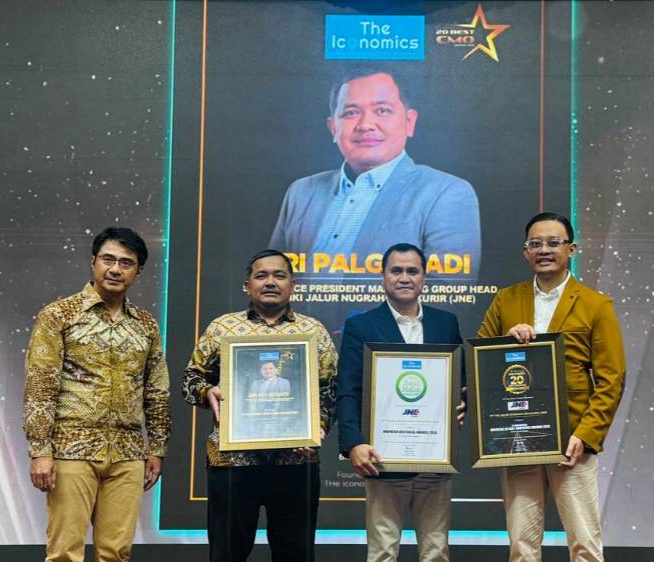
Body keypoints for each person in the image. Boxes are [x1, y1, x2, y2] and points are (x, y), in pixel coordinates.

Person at [475, 212, 625, 562]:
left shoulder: (596, 304)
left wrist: (586, 435)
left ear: (571, 249)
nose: (544, 250)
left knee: (585, 544)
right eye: (535, 243)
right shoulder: (506, 300)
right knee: (521, 546)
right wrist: (506, 342)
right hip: (518, 438)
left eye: (553, 242)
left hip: (571, 441)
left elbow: (612, 378)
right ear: (525, 252)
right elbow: (479, 362)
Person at [23, 227, 171, 562]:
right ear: (93, 262)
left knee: (116, 553)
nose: (115, 269)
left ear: (138, 271)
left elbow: (156, 389)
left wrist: (157, 449)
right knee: (64, 552)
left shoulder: (146, 324)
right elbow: (40, 386)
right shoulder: (59, 315)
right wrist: (40, 451)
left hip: (128, 453)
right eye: (108, 259)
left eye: (126, 263)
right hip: (71, 449)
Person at [182, 249, 338, 562]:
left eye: (279, 275)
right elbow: (190, 380)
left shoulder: (314, 331)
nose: (270, 282)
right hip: (233, 461)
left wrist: (318, 426)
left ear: (292, 285)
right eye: (261, 275)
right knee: (227, 554)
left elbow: (330, 390)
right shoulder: (222, 328)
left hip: (296, 461)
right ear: (247, 285)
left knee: (296, 555)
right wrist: (207, 392)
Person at [269, 69, 481, 275]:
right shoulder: (301, 192)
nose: (365, 125)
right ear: (333, 128)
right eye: (351, 113)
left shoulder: (446, 193)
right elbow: (272, 279)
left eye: (382, 110)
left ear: (409, 122)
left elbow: (447, 291)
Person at [336, 243, 466, 562]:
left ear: (424, 278)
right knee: (382, 551)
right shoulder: (361, 325)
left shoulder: (445, 323)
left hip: (434, 456)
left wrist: (463, 403)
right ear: (383, 277)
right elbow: (348, 388)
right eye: (396, 271)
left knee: (436, 551)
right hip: (383, 457)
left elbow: (458, 380)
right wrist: (353, 444)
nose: (404, 278)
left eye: (412, 271)